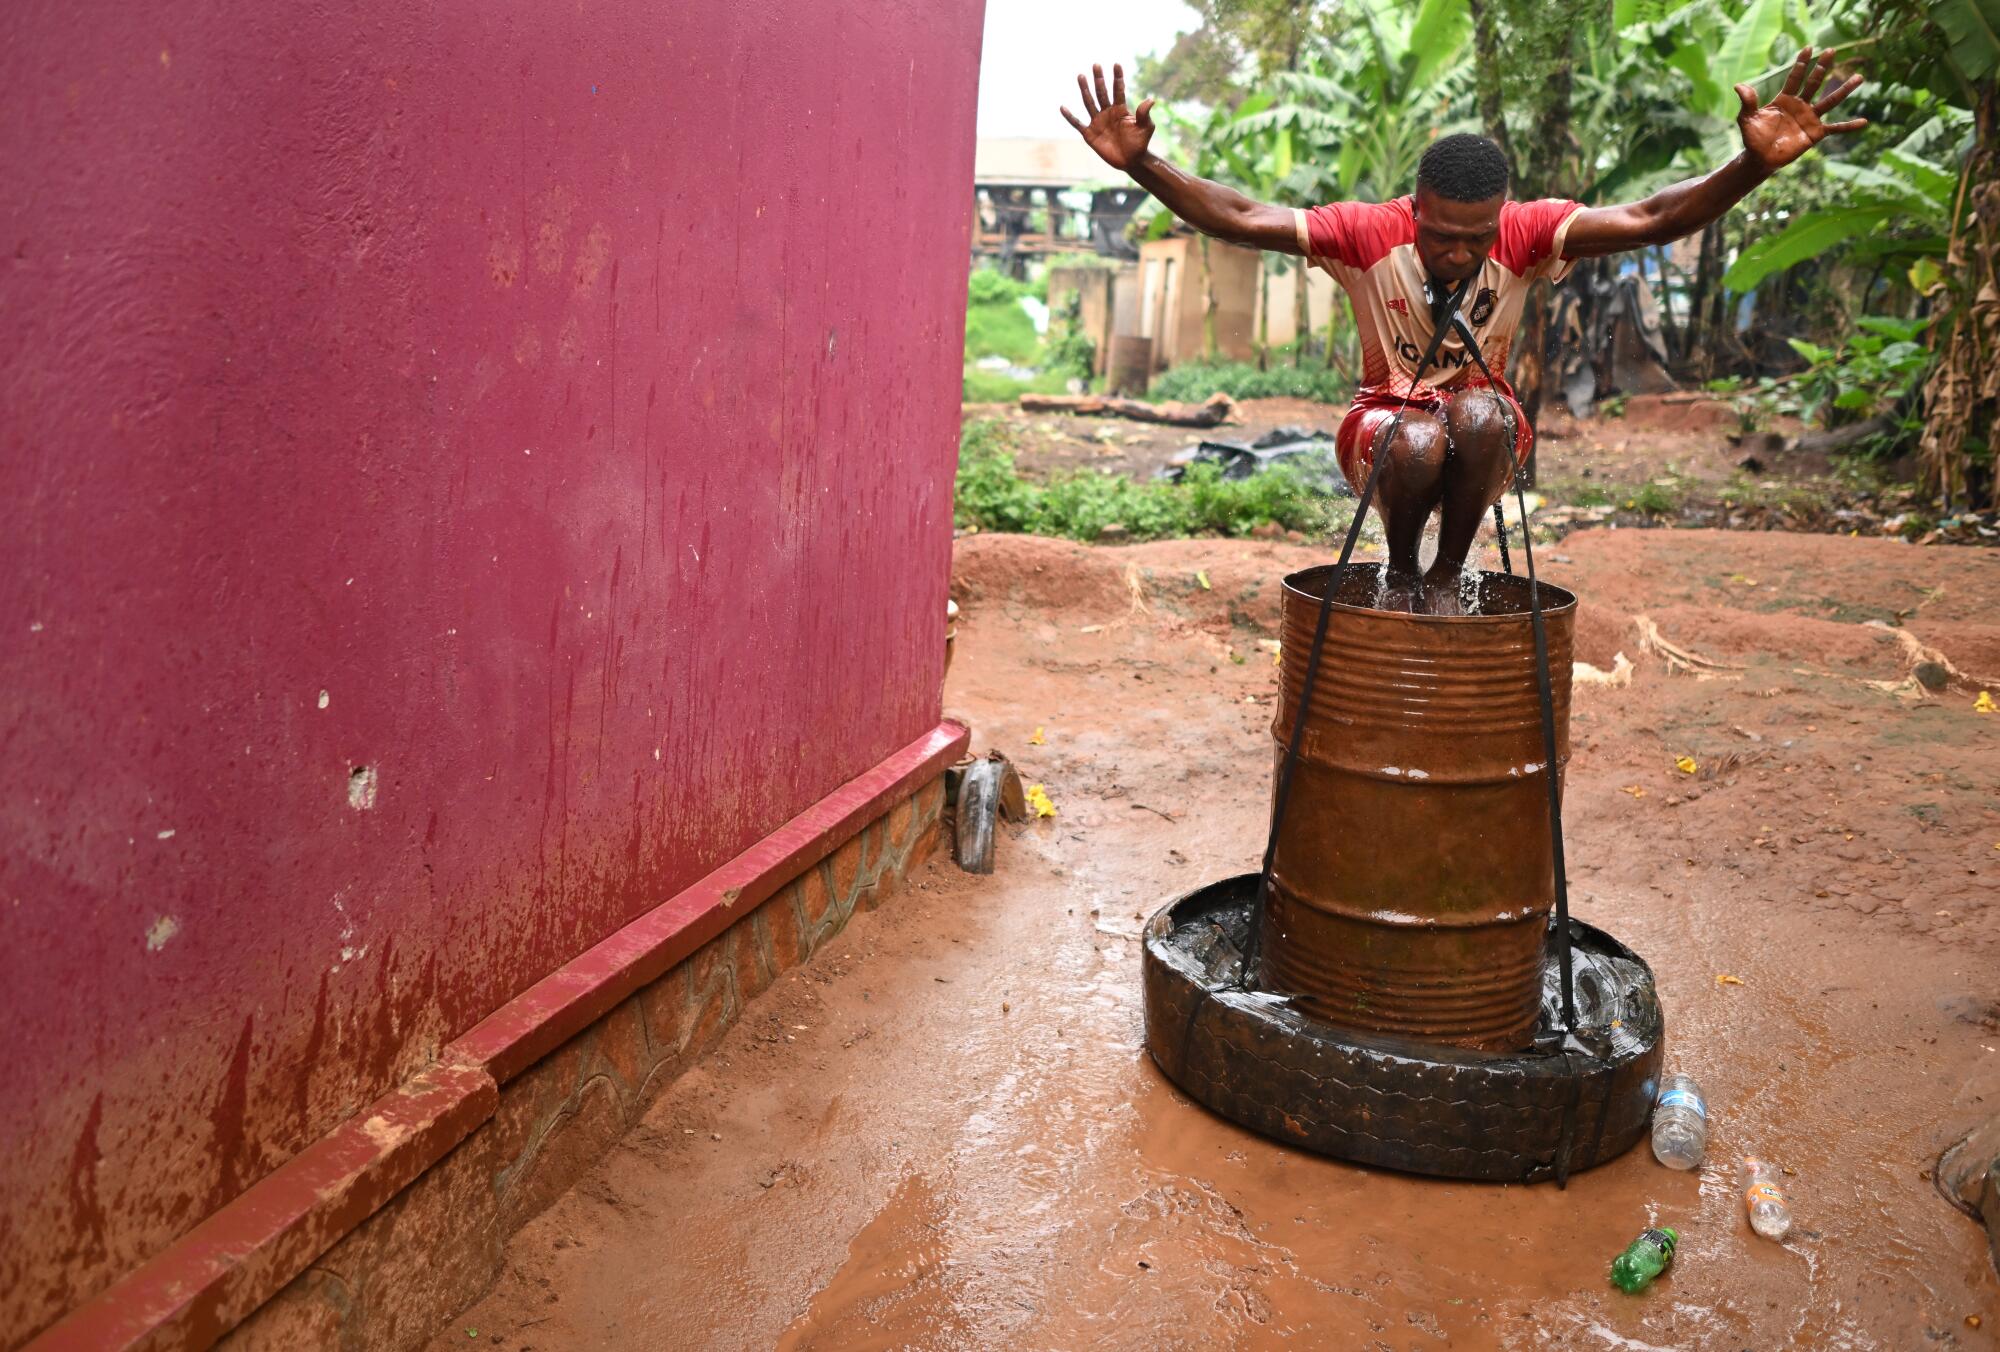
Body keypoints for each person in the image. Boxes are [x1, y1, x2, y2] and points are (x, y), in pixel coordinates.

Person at [1062, 53, 1867, 613]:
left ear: (1498, 221)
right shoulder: (1364, 232)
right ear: (1415, 210)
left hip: (1485, 427)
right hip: (1380, 425)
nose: (1455, 251)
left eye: (1473, 239)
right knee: (1414, 440)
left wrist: (1753, 165)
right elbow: (1239, 214)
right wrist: (1144, 167)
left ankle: (1449, 575)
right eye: (1439, 234)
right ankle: (1403, 570)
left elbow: (1654, 216)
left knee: (1477, 413)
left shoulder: (1526, 233)